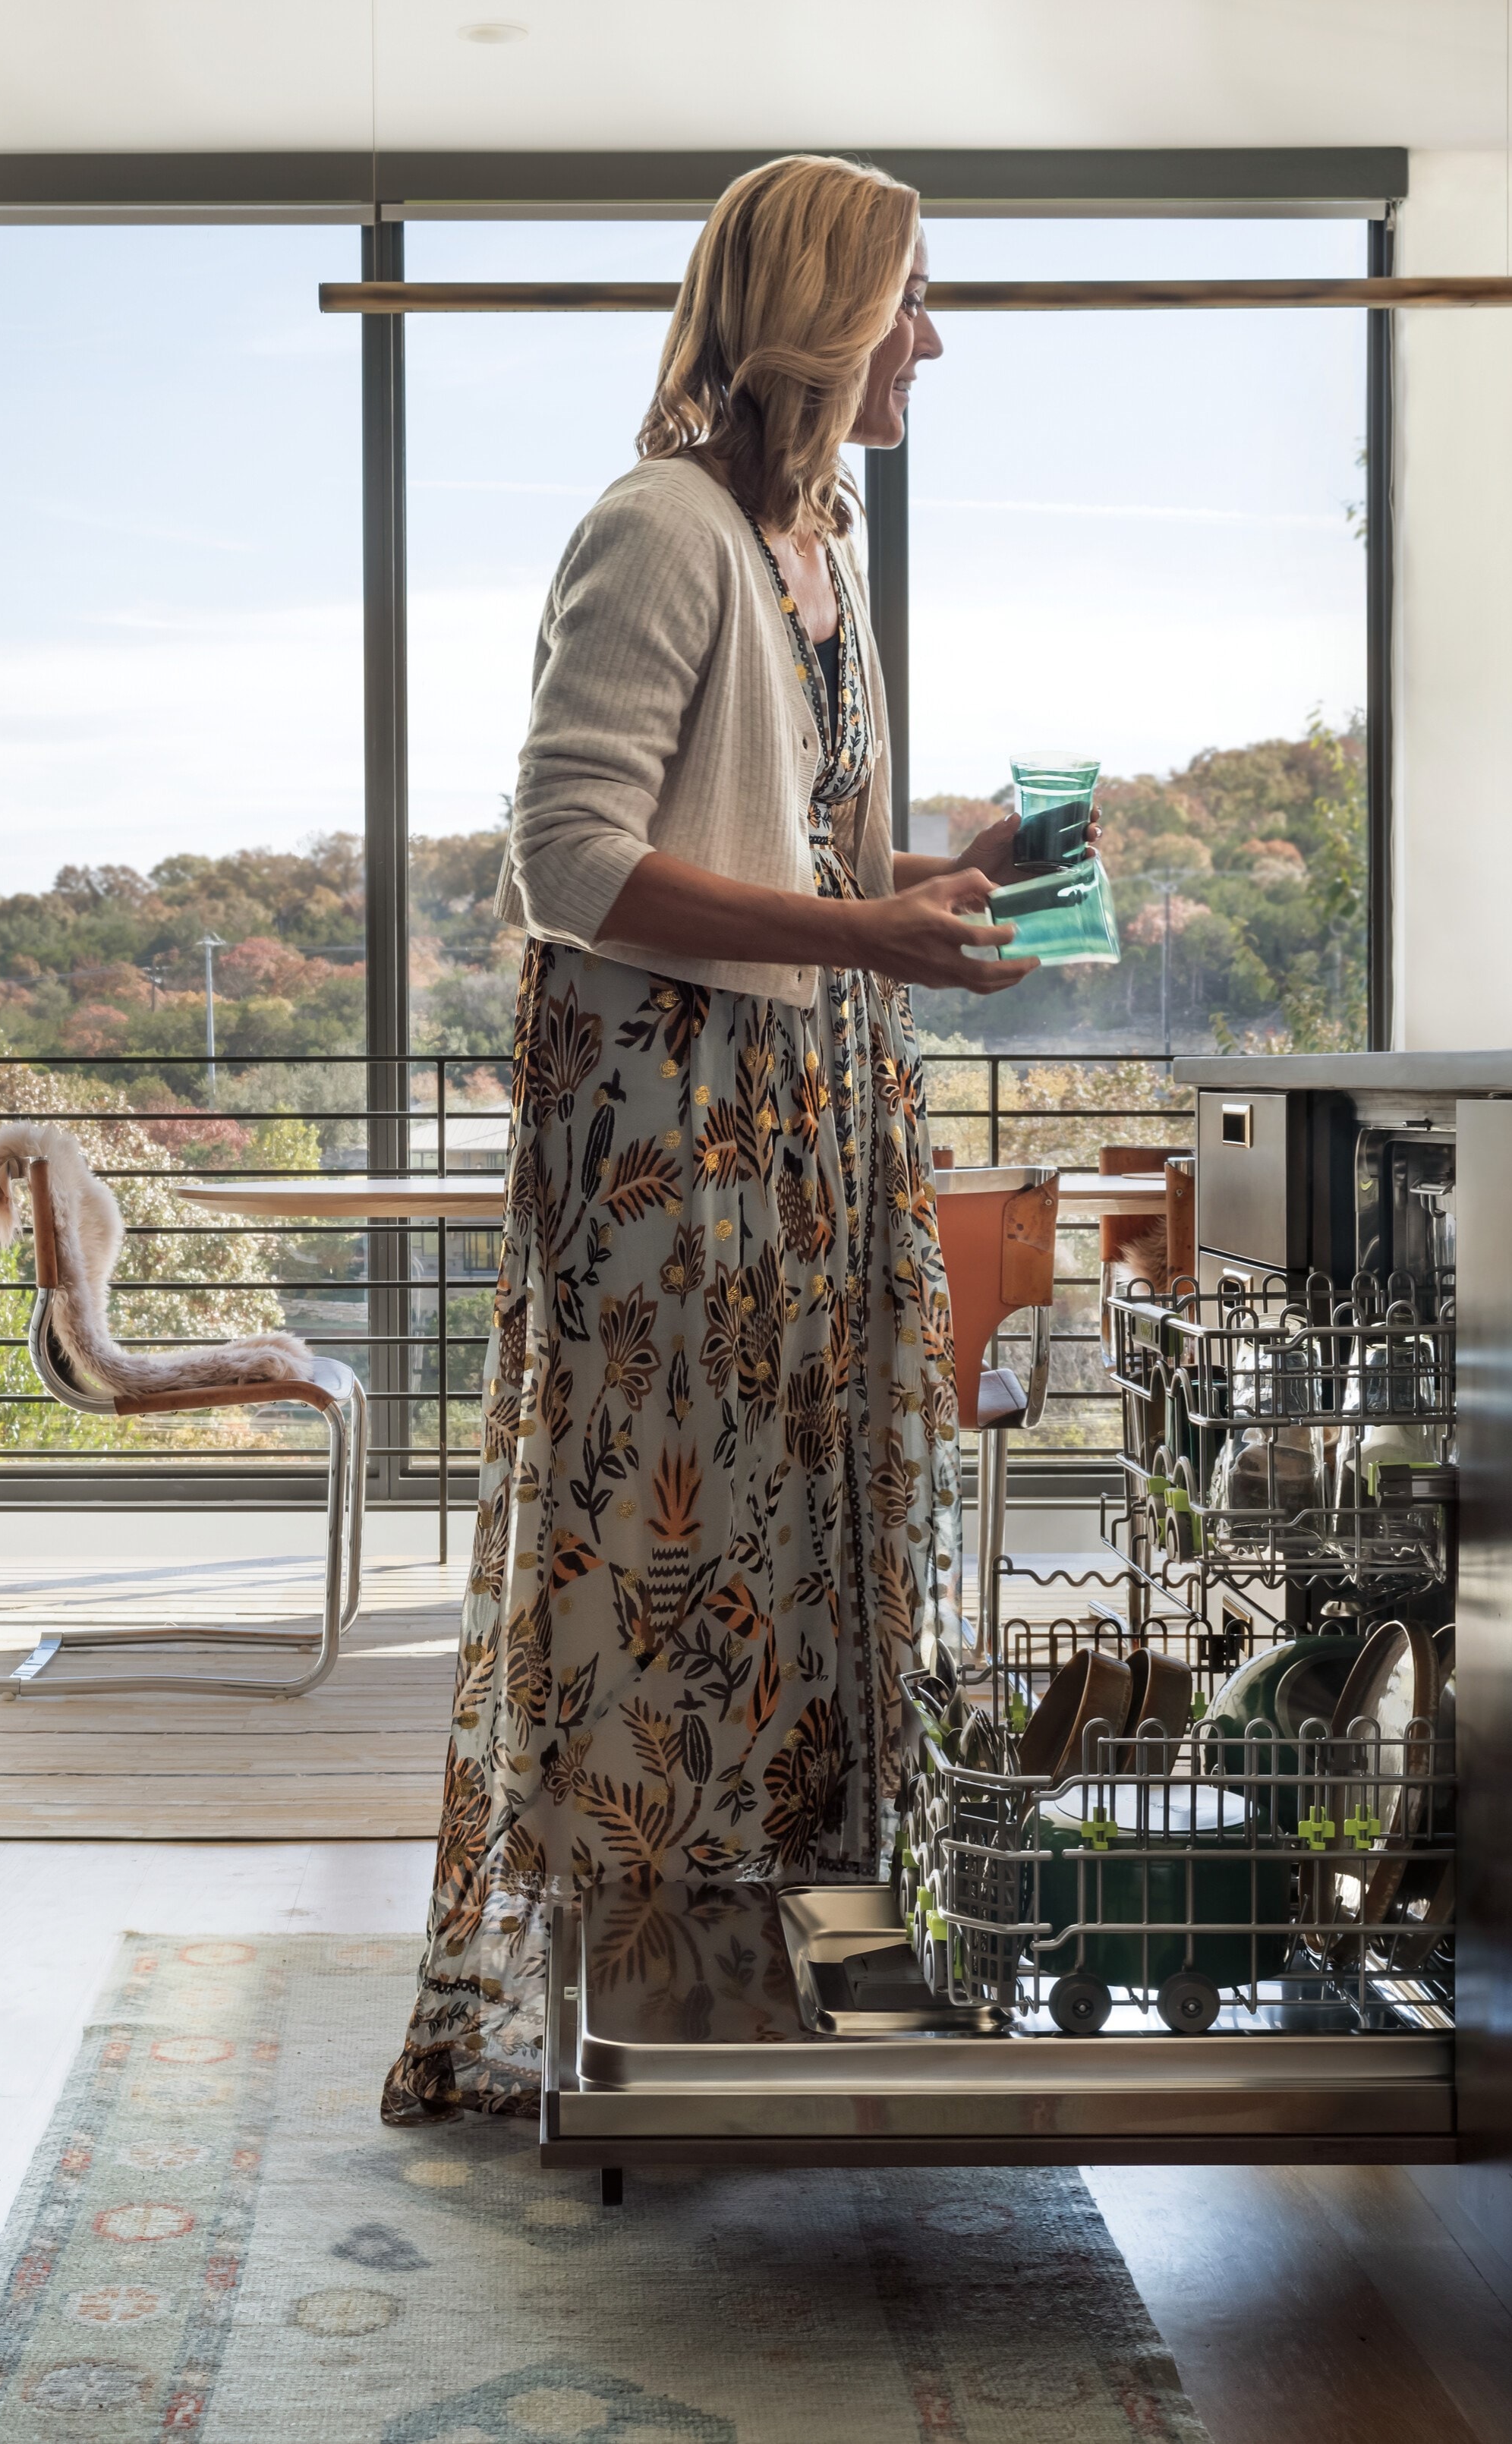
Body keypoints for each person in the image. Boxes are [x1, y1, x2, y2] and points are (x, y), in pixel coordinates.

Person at [382, 154, 1088, 2124]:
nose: (932, 343)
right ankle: (646, 1987)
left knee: (796, 1543)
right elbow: (575, 860)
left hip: (806, 1110)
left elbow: (819, 851)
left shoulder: (819, 549)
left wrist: (955, 881)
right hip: (673, 1135)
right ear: (827, 316)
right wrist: (863, 932)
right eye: (914, 302)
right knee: (669, 1556)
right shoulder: (659, 530)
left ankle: (782, 1972)